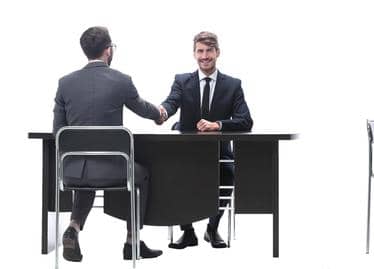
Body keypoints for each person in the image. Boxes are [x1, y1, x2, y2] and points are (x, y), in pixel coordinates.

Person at [53, 26, 167, 262]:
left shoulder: (65, 83)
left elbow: (58, 133)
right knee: (142, 173)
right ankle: (131, 242)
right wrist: (159, 114)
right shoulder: (122, 81)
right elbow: (143, 108)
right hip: (114, 171)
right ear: (108, 50)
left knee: (87, 175)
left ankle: (72, 228)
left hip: (73, 171)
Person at [160, 31, 253, 250]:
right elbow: (171, 103)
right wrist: (162, 111)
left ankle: (212, 229)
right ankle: (188, 231)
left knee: (228, 171)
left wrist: (218, 125)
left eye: (209, 51)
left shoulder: (233, 85)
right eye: (200, 51)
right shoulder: (182, 81)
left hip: (218, 150)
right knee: (172, 172)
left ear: (217, 53)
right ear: (194, 54)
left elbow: (245, 120)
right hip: (186, 151)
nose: (204, 56)